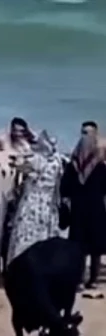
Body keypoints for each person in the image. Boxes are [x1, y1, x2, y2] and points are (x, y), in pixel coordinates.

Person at [63, 123, 106, 287]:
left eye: (89, 133)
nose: (85, 137)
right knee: (78, 248)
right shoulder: (73, 164)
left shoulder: (100, 165)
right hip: (79, 210)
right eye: (83, 133)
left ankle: (93, 279)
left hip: (95, 210)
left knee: (95, 248)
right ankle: (79, 279)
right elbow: (65, 188)